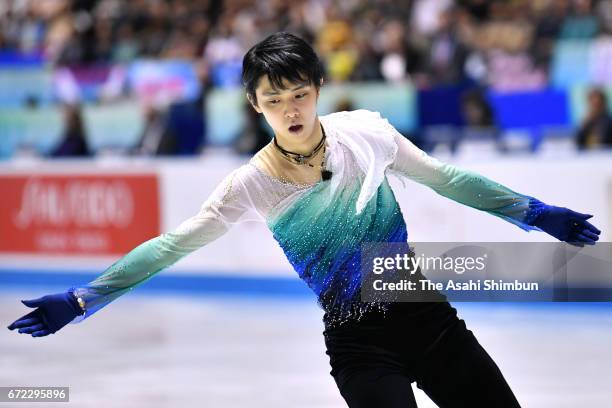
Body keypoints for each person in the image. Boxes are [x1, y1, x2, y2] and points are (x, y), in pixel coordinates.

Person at [8, 32, 601, 407]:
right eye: (273, 100)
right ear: (253, 104)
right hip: (359, 343)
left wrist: (534, 213)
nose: (289, 110)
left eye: (298, 94)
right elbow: (171, 245)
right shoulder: (252, 184)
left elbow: (448, 179)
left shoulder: (367, 134)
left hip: (431, 322)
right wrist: (88, 297)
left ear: (318, 87)